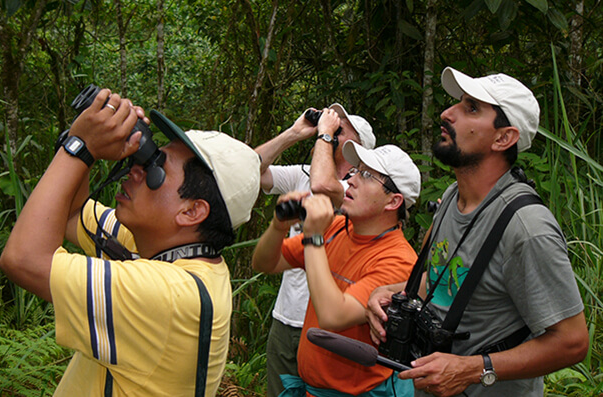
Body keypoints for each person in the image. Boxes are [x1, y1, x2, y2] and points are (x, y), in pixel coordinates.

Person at [0, 89, 261, 396]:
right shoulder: (167, 250)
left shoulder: (170, 295)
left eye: (156, 165)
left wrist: (80, 147)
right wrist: (90, 131)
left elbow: (22, 258)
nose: (137, 168)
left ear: (191, 211)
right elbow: (72, 214)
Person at [366, 67, 589, 397]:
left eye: (471, 108)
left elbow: (572, 342)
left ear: (503, 138)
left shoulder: (526, 228)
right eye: (457, 103)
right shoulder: (451, 199)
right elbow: (445, 280)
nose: (447, 113)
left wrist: (473, 369)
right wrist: (390, 292)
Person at [252, 139, 421, 396]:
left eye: (366, 175)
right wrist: (279, 226)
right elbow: (265, 263)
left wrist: (313, 237)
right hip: (312, 388)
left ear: (393, 201)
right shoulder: (337, 229)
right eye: (355, 171)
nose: (351, 180)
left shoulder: (398, 260)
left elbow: (333, 316)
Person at [255, 104, 376, 396]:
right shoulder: (302, 175)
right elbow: (250, 170)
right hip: (286, 319)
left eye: (340, 127)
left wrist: (324, 134)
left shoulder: (357, 193)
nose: (332, 127)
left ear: (358, 147)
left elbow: (323, 185)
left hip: (329, 328)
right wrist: (294, 134)